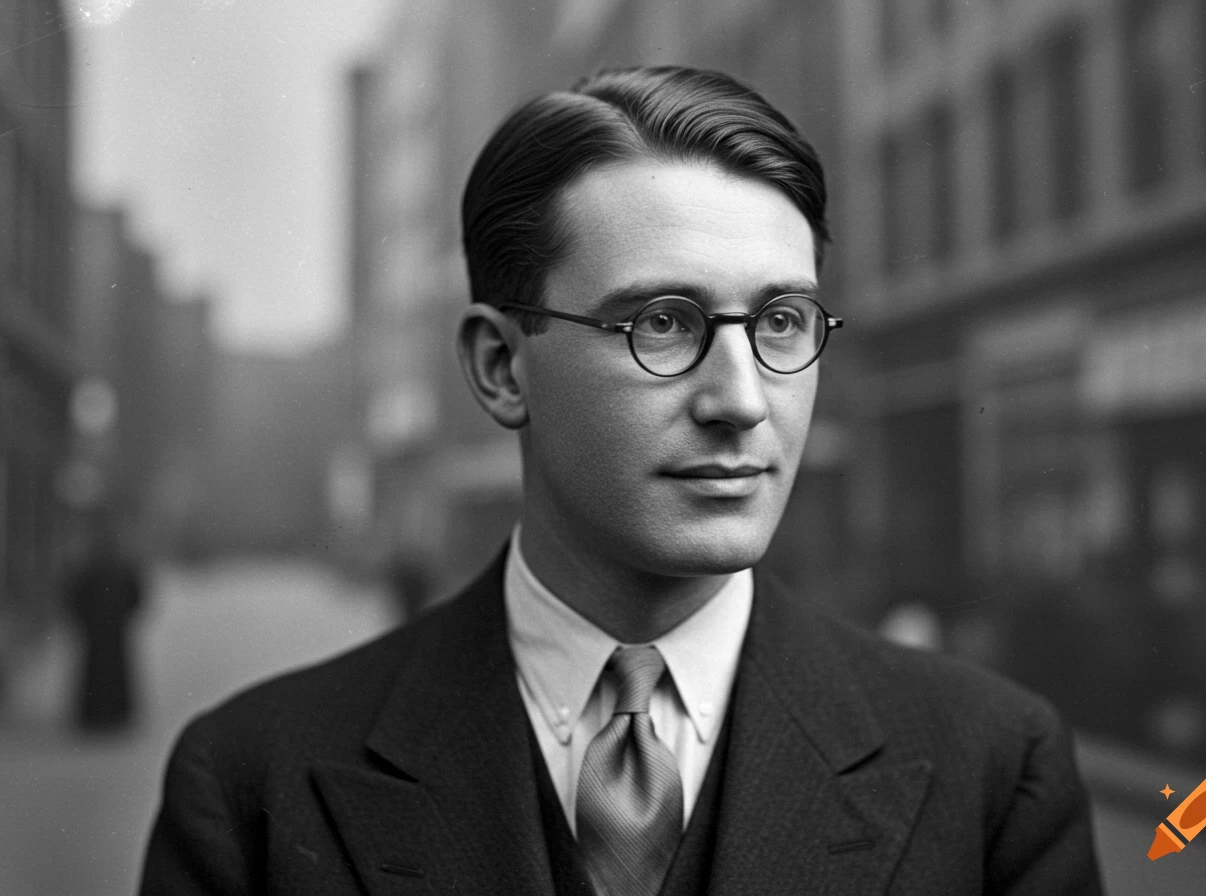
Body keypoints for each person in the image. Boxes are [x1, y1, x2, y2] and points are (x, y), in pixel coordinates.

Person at [140, 66, 1102, 895]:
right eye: (664, 324)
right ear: (501, 367)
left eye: (780, 324)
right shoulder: (252, 786)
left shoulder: (993, 769)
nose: (741, 401)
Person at [68, 522, 145, 732]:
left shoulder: (118, 568)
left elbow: (136, 596)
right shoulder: (94, 569)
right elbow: (74, 597)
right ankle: (100, 715)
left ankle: (110, 714)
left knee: (109, 675)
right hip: (101, 630)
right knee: (100, 675)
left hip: (111, 630)